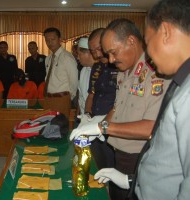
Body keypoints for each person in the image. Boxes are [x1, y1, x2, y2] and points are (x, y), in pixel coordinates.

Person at [94, 0, 190, 199]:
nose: (148, 53)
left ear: (165, 32)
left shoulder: (184, 90)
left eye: (147, 41)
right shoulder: (183, 80)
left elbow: (152, 129)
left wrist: (102, 128)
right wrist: (132, 180)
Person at [70, 18, 171, 200]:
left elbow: (152, 128)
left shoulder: (157, 72)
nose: (110, 59)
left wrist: (103, 128)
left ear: (131, 41)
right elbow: (117, 109)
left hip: (140, 160)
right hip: (120, 155)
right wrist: (99, 123)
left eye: (113, 52)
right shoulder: (125, 72)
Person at [83, 28, 118, 171]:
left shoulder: (120, 66)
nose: (97, 54)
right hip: (95, 123)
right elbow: (92, 94)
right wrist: (86, 116)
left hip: (111, 125)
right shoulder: (97, 66)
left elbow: (121, 101)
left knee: (111, 166)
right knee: (97, 164)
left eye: (99, 49)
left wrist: (104, 122)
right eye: (92, 51)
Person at [43, 27, 78, 101]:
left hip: (63, 98)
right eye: (47, 40)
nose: (50, 42)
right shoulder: (48, 58)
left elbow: (74, 81)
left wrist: (68, 99)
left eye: (53, 39)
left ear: (60, 39)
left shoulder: (67, 57)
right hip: (49, 97)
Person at [76, 37, 94, 115]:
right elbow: (81, 95)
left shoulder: (102, 71)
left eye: (80, 54)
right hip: (84, 116)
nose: (77, 57)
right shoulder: (84, 70)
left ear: (89, 53)